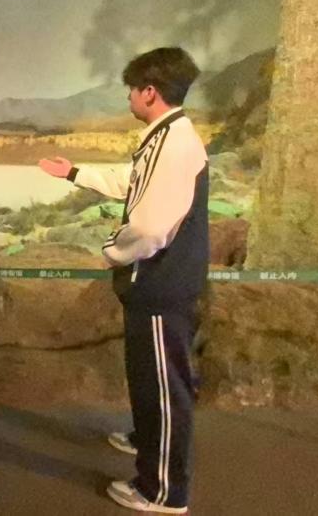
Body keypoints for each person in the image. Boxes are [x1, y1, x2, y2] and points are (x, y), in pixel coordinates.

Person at [39, 47, 208, 514]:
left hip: (162, 285)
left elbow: (150, 228)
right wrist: (74, 173)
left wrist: (113, 250)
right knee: (152, 378)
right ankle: (146, 438)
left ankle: (163, 491)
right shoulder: (169, 134)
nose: (128, 98)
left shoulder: (173, 144)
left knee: (165, 387)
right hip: (163, 284)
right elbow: (136, 180)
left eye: (132, 90)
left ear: (149, 92)